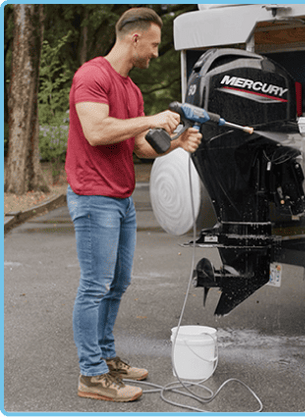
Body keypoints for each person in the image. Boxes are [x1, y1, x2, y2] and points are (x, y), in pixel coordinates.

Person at [65, 7, 202, 402]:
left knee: (118, 283)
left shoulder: (131, 90)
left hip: (121, 198)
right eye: (154, 45)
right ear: (135, 38)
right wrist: (151, 119)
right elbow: (96, 131)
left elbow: (140, 147)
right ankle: (91, 375)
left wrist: (176, 143)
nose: (156, 53)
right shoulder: (92, 76)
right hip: (94, 196)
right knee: (95, 286)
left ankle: (105, 358)